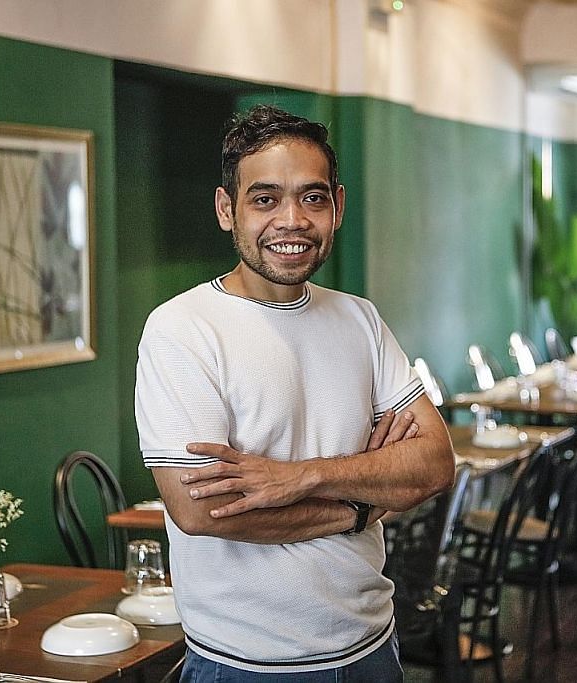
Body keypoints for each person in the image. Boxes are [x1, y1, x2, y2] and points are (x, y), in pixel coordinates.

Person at [135, 104, 454, 682]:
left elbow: (433, 463)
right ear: (225, 210)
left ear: (338, 206)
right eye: (265, 199)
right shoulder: (182, 328)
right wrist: (365, 501)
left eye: (312, 198)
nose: (293, 220)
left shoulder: (360, 319)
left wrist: (297, 477)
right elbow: (204, 510)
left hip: (372, 649)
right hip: (246, 665)